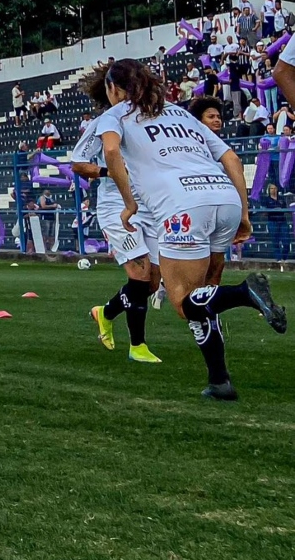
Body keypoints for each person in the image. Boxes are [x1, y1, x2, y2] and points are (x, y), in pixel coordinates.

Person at [97, 59, 286, 401]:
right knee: (204, 297)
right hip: (223, 197)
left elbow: (111, 150)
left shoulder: (115, 115)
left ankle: (246, 293)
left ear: (113, 88)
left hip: (182, 205)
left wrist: (129, 204)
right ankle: (220, 381)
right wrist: (243, 213)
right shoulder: (181, 114)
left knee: (184, 301)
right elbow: (231, 158)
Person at [70, 66, 162, 363]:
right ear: (113, 90)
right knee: (140, 272)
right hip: (116, 207)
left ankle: (105, 313)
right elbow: (78, 163)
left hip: (150, 205)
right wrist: (112, 172)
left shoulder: (148, 120)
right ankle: (138, 346)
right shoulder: (103, 123)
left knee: (152, 283)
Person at [261, 182, 291, 262]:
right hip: (272, 221)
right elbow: (263, 213)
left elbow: (286, 209)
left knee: (286, 241)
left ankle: (284, 258)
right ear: (269, 190)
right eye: (271, 188)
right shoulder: (266, 200)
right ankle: (278, 259)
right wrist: (271, 211)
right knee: (275, 241)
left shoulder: (281, 199)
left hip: (282, 221)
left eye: (274, 188)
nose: (273, 190)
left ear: (277, 189)